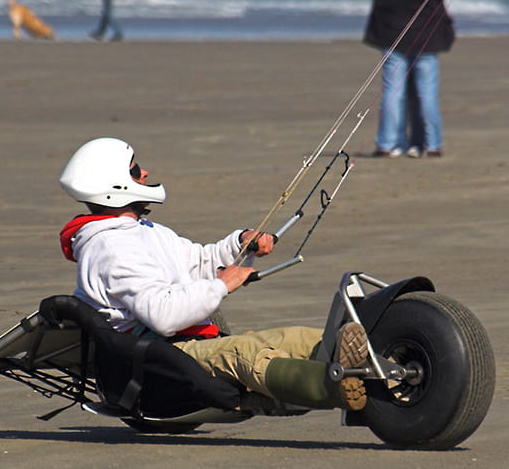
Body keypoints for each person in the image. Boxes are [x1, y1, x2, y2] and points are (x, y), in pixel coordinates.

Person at [57, 137, 369, 412]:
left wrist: (241, 243)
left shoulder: (143, 231)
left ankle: (387, 375)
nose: (145, 173)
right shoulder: (110, 248)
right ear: (116, 185)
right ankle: (335, 387)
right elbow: (163, 316)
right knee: (245, 354)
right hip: (160, 357)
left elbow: (199, 260)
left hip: (191, 341)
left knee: (299, 338)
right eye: (135, 169)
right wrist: (221, 285)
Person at [364, 0, 455, 159]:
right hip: (423, 40)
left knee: (394, 93)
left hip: (396, 37)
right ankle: (431, 145)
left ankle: (388, 144)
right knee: (426, 94)